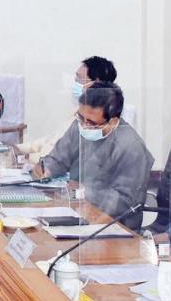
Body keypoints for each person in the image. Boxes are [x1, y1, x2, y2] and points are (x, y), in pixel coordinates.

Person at [32, 82, 153, 230]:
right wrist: (46, 168)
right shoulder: (80, 126)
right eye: (81, 117)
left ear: (113, 122)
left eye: (91, 122)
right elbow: (58, 158)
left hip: (114, 227)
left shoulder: (131, 147)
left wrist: (85, 192)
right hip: (76, 211)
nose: (84, 125)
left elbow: (125, 202)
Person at [17, 56, 118, 161]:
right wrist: (18, 149)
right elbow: (50, 140)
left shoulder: (95, 123)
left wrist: (25, 159)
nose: (74, 82)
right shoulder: (79, 112)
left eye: (79, 78)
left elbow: (61, 160)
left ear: (95, 83)